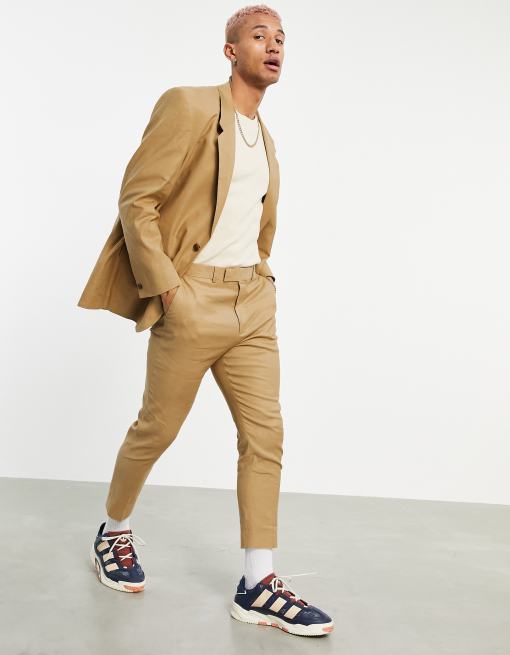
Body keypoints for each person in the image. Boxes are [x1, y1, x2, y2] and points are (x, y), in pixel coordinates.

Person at [78, 3, 334, 638]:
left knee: (265, 436)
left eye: (281, 38)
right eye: (259, 36)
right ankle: (113, 530)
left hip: (253, 304)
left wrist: (262, 279)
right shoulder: (189, 106)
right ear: (230, 51)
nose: (274, 46)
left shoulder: (264, 136)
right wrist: (169, 289)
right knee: (157, 428)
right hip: (192, 299)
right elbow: (138, 198)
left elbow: (254, 222)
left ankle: (258, 583)